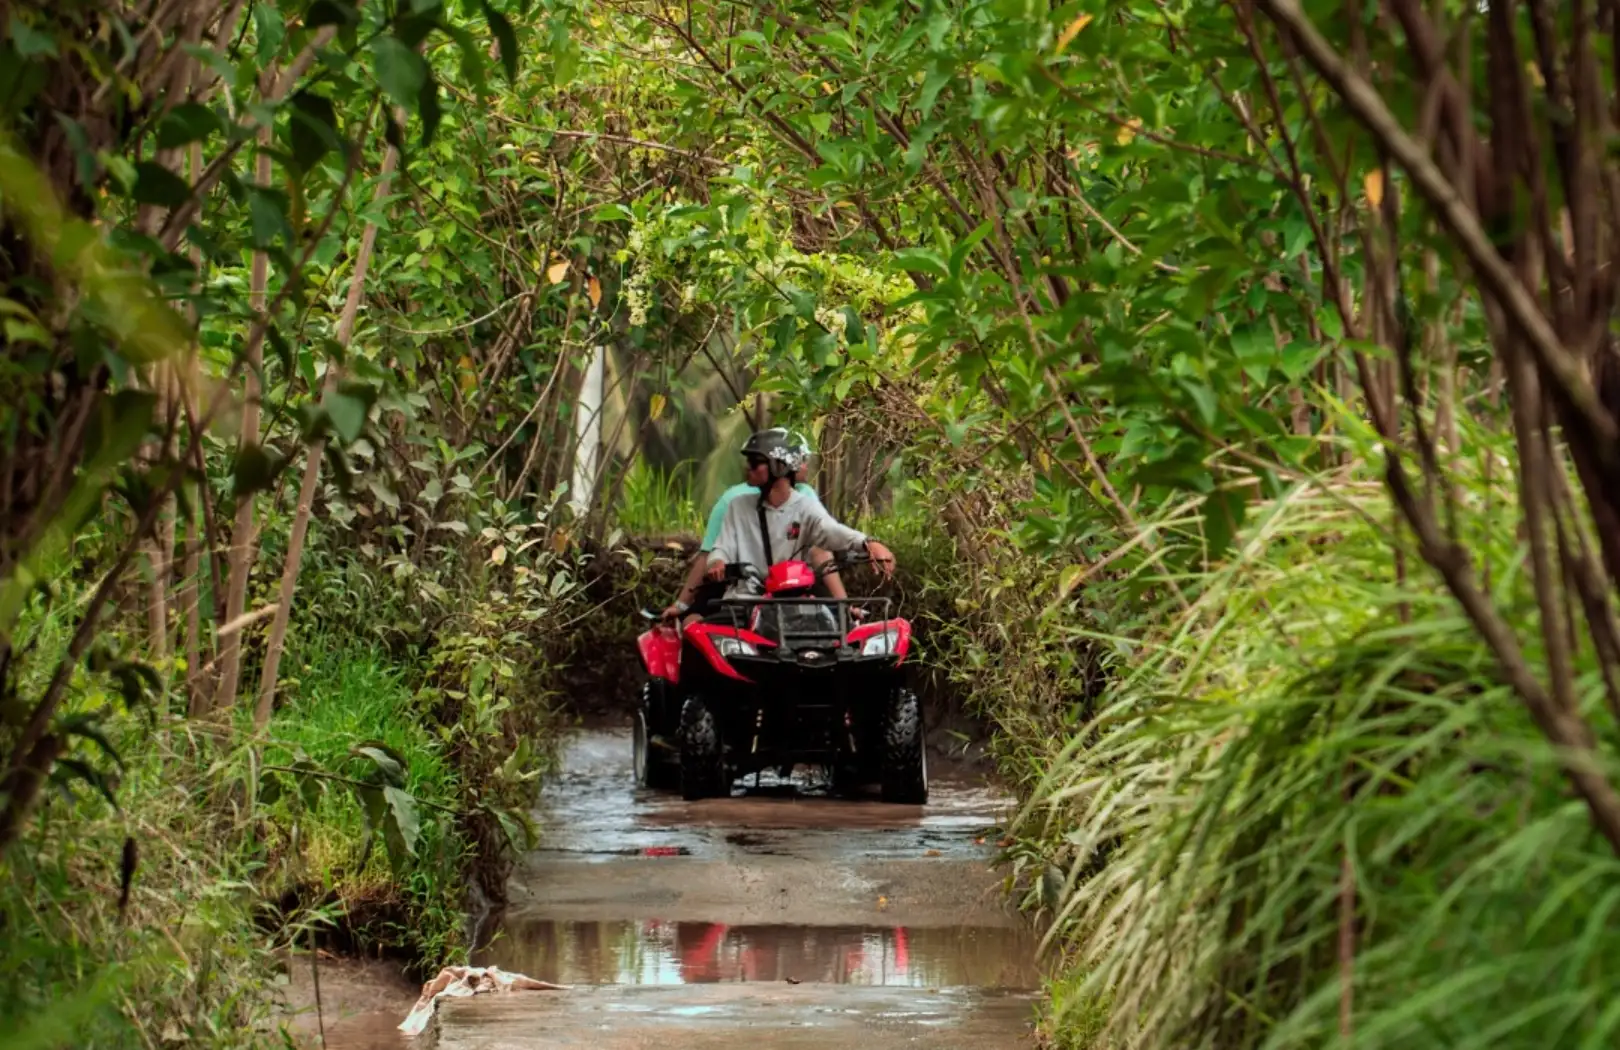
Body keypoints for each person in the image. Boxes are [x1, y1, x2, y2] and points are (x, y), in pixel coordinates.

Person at [704, 429, 894, 596]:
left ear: (779, 466)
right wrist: (717, 561)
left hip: (791, 600)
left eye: (755, 462)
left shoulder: (804, 506)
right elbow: (722, 547)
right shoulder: (738, 506)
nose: (748, 468)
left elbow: (830, 530)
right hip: (745, 600)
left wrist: (867, 543)